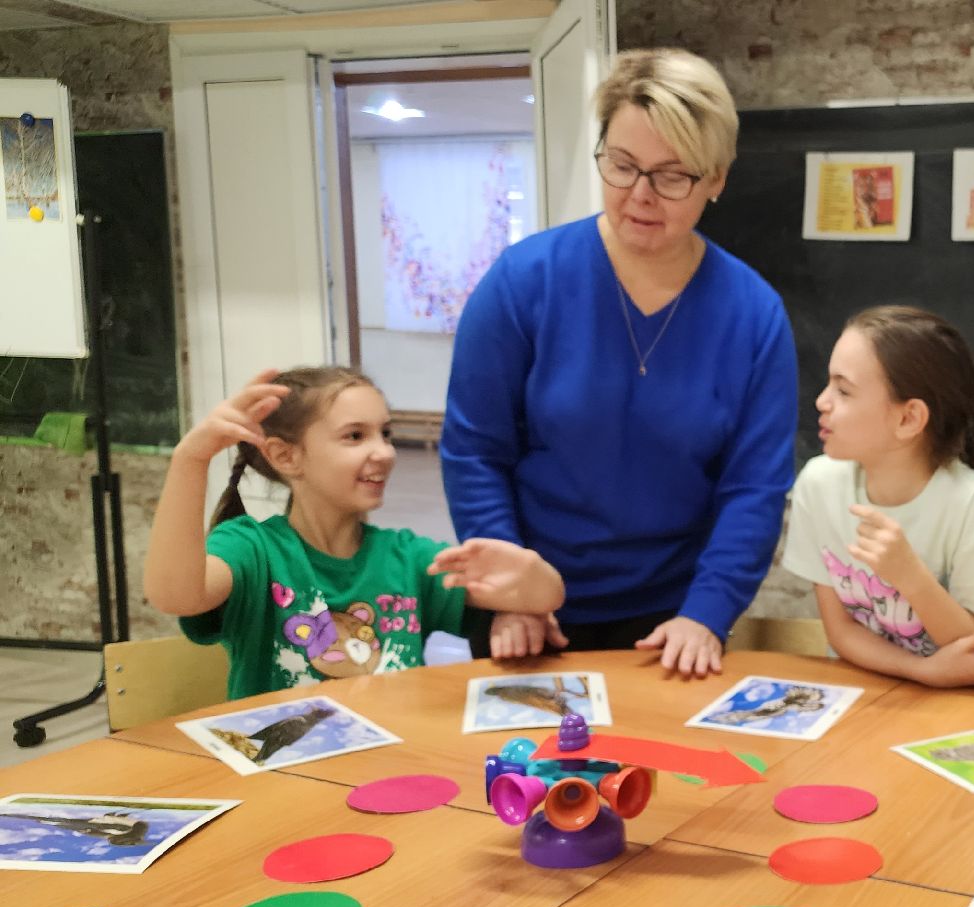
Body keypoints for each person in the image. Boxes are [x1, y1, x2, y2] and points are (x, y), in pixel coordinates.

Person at [443, 47, 797, 675]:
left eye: (672, 175)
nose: (641, 195)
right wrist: (513, 592)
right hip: (530, 614)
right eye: (622, 165)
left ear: (716, 178)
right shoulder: (523, 282)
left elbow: (754, 489)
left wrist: (706, 613)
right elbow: (476, 451)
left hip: (672, 624)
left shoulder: (754, 314)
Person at [146, 368, 564, 699]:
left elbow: (544, 597)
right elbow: (175, 595)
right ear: (285, 455)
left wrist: (526, 570)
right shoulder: (253, 549)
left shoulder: (406, 556)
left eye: (386, 433)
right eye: (355, 436)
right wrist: (191, 460)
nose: (384, 452)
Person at [781, 306, 974, 687]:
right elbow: (841, 631)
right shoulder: (818, 484)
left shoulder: (969, 503)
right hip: (863, 693)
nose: (821, 401)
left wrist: (909, 575)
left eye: (843, 390)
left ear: (908, 419)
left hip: (951, 708)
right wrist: (921, 670)